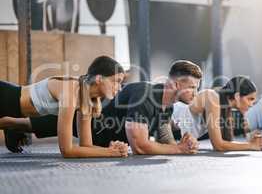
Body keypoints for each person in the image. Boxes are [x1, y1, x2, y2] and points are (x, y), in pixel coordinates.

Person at [2, 60, 202, 155]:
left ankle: (13, 126)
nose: (195, 93)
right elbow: (140, 146)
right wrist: (178, 149)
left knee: (35, 115)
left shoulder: (166, 108)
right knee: (38, 118)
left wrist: (185, 142)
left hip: (95, 127)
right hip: (99, 124)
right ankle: (13, 125)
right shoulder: (145, 95)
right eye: (192, 87)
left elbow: (165, 139)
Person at [0, 55, 128, 158]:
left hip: (14, 110)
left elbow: (86, 145)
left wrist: (111, 149)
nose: (119, 87)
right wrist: (110, 153)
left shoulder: (88, 101)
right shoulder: (72, 90)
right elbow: (67, 151)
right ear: (99, 78)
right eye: (116, 81)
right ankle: (10, 126)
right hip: (5, 96)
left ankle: (10, 126)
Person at [172, 76, 262, 152]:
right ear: (237, 96)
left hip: (176, 134)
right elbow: (219, 145)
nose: (251, 105)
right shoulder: (212, 97)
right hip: (170, 119)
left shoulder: (225, 108)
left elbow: (226, 142)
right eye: (250, 99)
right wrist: (251, 145)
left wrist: (253, 141)